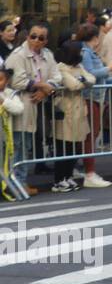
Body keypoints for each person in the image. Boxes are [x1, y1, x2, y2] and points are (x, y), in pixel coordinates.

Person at [4, 22, 62, 193]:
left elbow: (57, 77)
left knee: (27, 144)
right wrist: (43, 85)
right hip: (19, 104)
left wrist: (45, 90)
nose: (36, 40)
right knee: (17, 145)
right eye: (33, 36)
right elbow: (17, 81)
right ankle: (14, 183)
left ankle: (20, 181)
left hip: (35, 104)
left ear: (46, 40)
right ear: (28, 36)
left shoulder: (48, 55)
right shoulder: (18, 55)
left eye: (41, 38)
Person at [76, 23, 112, 188]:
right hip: (90, 97)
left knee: (92, 134)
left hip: (96, 97)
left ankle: (87, 171)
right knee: (90, 136)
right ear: (94, 37)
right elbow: (90, 74)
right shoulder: (86, 52)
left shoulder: (88, 51)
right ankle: (89, 173)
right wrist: (109, 69)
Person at [51, 39, 95, 193]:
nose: (82, 53)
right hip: (66, 111)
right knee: (64, 147)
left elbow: (92, 78)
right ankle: (59, 179)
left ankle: (68, 176)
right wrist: (83, 81)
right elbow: (73, 85)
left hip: (79, 111)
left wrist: (83, 80)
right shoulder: (61, 68)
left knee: (75, 147)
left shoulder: (79, 66)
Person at [0, 67, 24, 201]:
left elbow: (19, 108)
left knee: (4, 164)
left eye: (1, 80)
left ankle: (4, 188)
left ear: (7, 81)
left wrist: (3, 101)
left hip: (4, 138)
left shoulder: (11, 94)